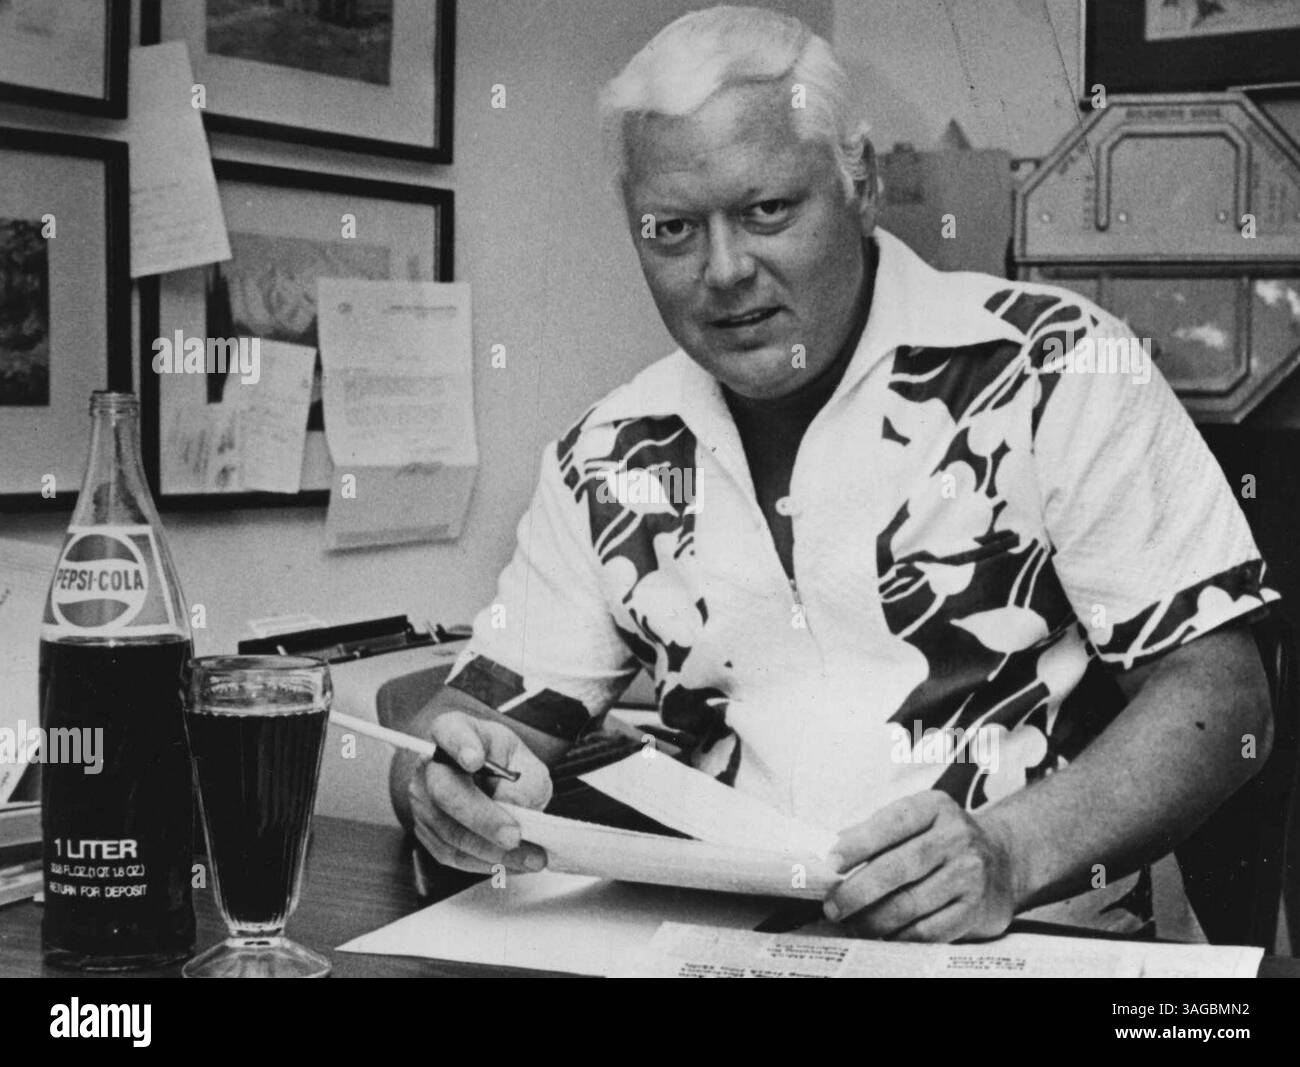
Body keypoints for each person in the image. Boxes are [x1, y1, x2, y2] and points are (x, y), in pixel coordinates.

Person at [390, 6, 1277, 942]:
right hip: (734, 950)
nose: (724, 270)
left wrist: (1009, 853)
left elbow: (1221, 696)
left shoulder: (1054, 366)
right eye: (673, 230)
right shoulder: (608, 453)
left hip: (1033, 947)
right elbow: (480, 718)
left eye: (768, 210)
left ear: (860, 179)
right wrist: (440, 782)